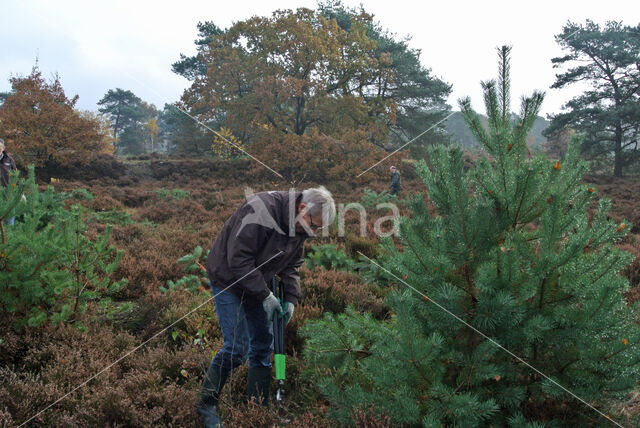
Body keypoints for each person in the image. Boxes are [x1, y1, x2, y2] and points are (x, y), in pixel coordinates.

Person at [197, 186, 336, 427]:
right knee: (236, 349)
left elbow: (291, 265)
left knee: (263, 345)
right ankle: (206, 405)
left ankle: (257, 407)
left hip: (259, 282)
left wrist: (290, 299)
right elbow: (238, 260)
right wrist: (266, 296)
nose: (314, 232)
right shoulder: (261, 209)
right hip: (229, 279)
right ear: (303, 208)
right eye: (314, 225)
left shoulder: (299, 224)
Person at [0, 138, 18, 225]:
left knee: (9, 218)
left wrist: (19, 192)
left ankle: (8, 236)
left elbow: (15, 177)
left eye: (0, 146)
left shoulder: (9, 160)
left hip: (8, 192)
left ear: (3, 148)